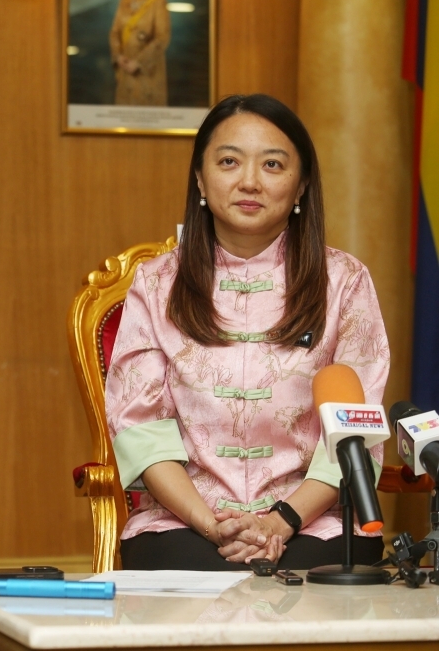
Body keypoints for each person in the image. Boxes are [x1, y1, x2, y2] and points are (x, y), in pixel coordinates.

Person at [105, 94, 388, 570]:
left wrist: (281, 521)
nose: (249, 182)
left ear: (300, 187)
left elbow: (355, 434)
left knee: (325, 570)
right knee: (187, 565)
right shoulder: (156, 284)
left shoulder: (345, 282)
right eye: (229, 161)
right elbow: (142, 431)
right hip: (184, 520)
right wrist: (211, 523)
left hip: (314, 521)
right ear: (200, 177)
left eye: (273, 164)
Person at [108, 0, 170, 106]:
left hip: (148, 72)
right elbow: (115, 32)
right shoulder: (125, 1)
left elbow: (162, 38)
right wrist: (119, 56)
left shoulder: (158, 1)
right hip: (125, 70)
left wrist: (139, 62)